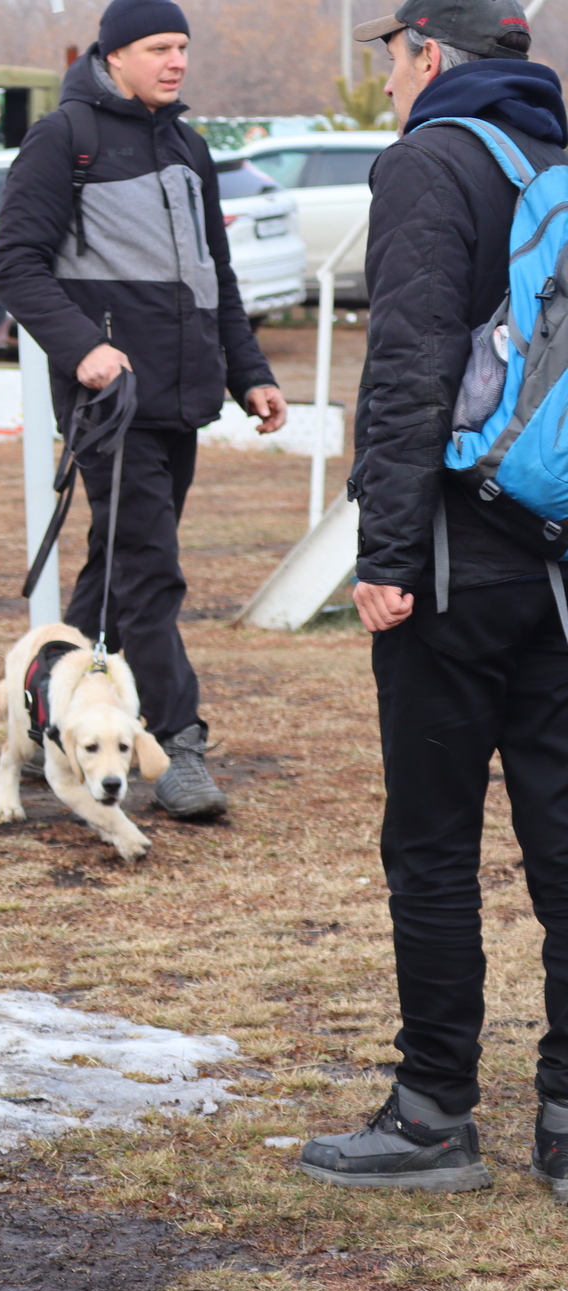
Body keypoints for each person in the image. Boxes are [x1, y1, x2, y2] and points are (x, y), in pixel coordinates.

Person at [297, 0, 568, 1195]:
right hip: (557, 559)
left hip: (455, 563)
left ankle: (430, 1115)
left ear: (424, 55)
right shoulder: (555, 159)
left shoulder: (428, 162)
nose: (393, 80)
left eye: (395, 59)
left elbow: (406, 362)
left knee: (431, 845)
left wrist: (386, 556)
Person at [0, 0, 287, 820]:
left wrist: (249, 373)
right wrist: (83, 346)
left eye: (184, 46)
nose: (176, 61)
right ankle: (177, 746)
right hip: (108, 404)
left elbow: (215, 280)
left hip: (181, 400)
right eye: (159, 46)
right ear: (113, 55)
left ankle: (38, 706)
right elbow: (14, 264)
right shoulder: (64, 138)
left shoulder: (190, 147)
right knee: (151, 571)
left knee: (118, 572)